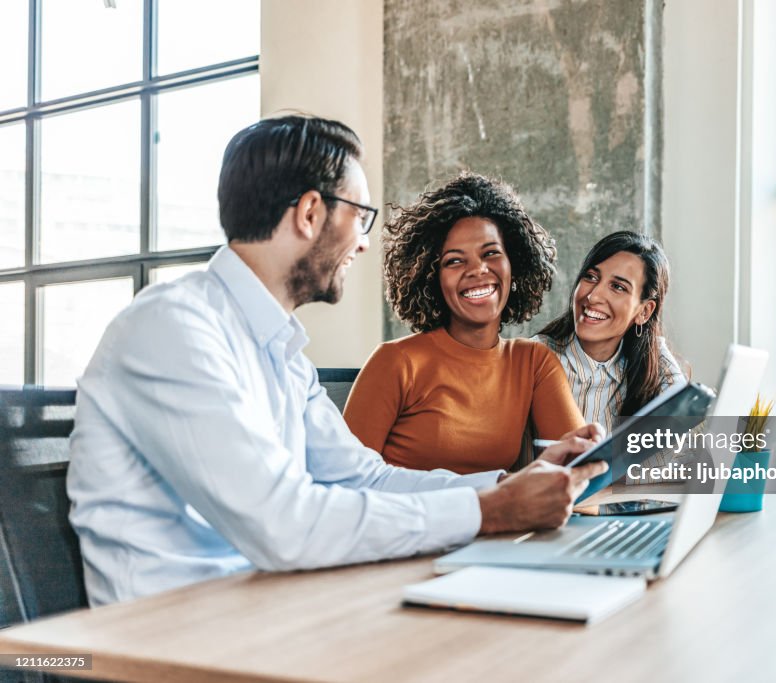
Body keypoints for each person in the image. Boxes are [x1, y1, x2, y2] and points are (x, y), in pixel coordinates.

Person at [66, 116, 605, 606]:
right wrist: (490, 512)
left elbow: (361, 477)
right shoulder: (173, 327)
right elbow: (282, 524)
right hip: (171, 636)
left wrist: (510, 484)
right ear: (309, 212)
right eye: (361, 216)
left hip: (265, 608)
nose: (364, 244)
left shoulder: (277, 347)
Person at [344, 173, 585, 474]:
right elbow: (345, 482)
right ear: (432, 278)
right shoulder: (395, 362)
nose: (478, 270)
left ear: (515, 263)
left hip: (497, 520)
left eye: (491, 253)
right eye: (455, 261)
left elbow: (580, 474)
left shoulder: (533, 363)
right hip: (409, 520)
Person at [535, 231, 687, 429]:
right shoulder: (535, 358)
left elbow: (685, 436)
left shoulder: (650, 374)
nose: (593, 296)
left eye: (617, 287)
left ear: (645, 311)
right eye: (590, 277)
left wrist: (657, 350)